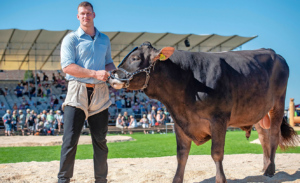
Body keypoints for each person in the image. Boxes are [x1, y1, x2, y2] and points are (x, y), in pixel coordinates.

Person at [57, 2, 116, 183]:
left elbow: (108, 63)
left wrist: (117, 75)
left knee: (100, 142)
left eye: (88, 13)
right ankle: (63, 180)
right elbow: (67, 67)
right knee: (69, 141)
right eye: (82, 13)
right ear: (77, 16)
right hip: (77, 92)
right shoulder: (71, 39)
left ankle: (101, 180)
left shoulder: (104, 39)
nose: (85, 16)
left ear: (94, 15)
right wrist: (94, 73)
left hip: (100, 93)